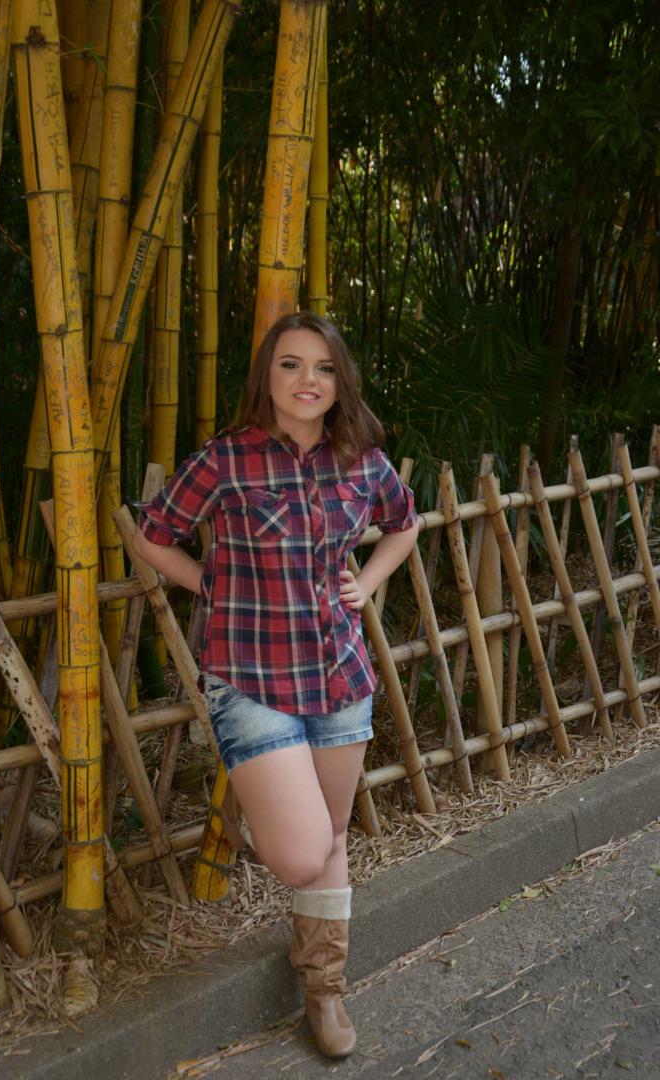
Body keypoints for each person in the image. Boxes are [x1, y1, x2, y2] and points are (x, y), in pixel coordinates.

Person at [133, 311, 419, 1058]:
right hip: (251, 674)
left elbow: (404, 524)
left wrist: (367, 584)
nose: (307, 381)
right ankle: (263, 805)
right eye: (290, 364)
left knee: (332, 840)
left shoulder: (362, 461)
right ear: (267, 375)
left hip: (338, 673)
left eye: (323, 368)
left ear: (340, 382)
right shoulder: (226, 459)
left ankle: (324, 991)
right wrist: (208, 584)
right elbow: (153, 535)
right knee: (300, 853)